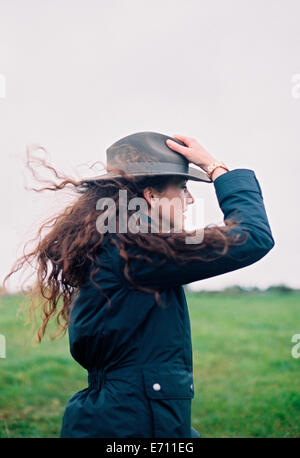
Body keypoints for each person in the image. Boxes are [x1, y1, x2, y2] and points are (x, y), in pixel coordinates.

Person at [4, 131, 275, 438]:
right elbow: (252, 237)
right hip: (132, 421)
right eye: (183, 188)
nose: (188, 200)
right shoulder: (137, 249)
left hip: (125, 416)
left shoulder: (118, 244)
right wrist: (216, 168)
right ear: (151, 196)